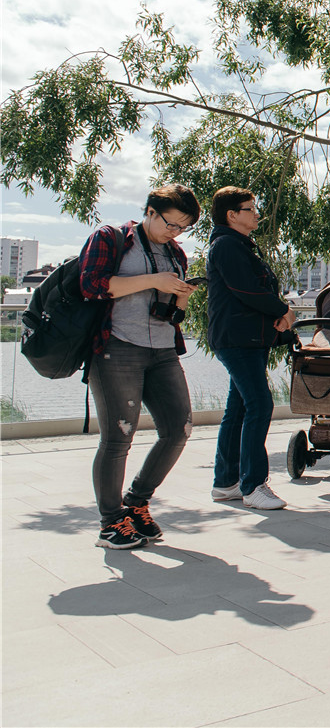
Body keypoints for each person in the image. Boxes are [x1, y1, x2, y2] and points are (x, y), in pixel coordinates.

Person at [79, 185, 202, 549]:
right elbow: (92, 285)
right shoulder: (111, 238)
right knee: (119, 436)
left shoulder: (175, 253)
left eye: (182, 227)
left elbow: (171, 315)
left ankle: (136, 503)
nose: (174, 232)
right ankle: (110, 522)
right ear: (150, 211)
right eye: (170, 223)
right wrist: (153, 280)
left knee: (179, 429)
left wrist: (180, 297)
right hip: (116, 347)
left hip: (162, 349)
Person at [207, 188, 295, 511]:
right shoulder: (227, 246)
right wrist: (283, 311)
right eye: (250, 208)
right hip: (238, 340)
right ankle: (253, 485)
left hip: (246, 339)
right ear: (232, 215)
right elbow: (248, 290)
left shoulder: (237, 245)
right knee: (260, 404)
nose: (257, 213)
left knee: (240, 408)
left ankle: (225, 483)